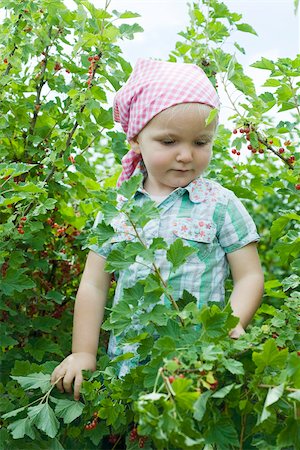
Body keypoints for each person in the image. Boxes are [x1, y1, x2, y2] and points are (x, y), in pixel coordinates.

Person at [51, 58, 264, 400]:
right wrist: (84, 353)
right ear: (136, 139)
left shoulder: (221, 204)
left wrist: (233, 323)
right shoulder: (118, 207)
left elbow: (249, 276)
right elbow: (93, 284)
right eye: (169, 142)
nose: (185, 155)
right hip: (129, 368)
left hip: (200, 364)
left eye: (200, 142)